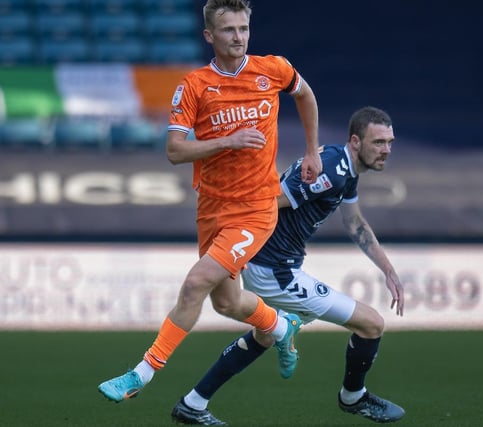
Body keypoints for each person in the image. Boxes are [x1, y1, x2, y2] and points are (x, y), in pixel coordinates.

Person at [98, 0, 321, 402]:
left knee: (196, 282)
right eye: (228, 30)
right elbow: (175, 151)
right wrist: (229, 141)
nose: (238, 37)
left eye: (243, 28)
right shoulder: (194, 86)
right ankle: (280, 326)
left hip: (256, 208)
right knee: (227, 301)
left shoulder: (273, 69)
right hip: (213, 207)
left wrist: (311, 151)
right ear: (209, 36)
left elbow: (305, 96)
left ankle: (141, 374)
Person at [170, 106, 406, 426]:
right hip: (274, 270)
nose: (386, 150)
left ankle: (193, 403)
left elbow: (354, 223)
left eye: (390, 142)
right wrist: (231, 229)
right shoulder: (332, 170)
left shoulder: (345, 168)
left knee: (265, 335)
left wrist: (387, 268)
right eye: (378, 142)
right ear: (355, 141)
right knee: (372, 324)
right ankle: (353, 397)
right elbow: (270, 198)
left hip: (270, 263)